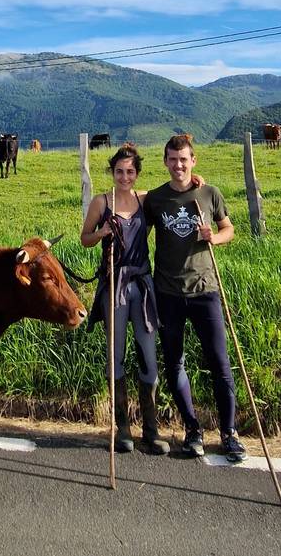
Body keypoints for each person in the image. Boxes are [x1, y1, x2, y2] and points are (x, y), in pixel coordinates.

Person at [143, 134, 247, 462]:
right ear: (165, 162)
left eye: (184, 159)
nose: (178, 165)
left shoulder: (209, 194)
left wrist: (214, 238)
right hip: (168, 293)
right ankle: (193, 430)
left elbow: (229, 229)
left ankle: (229, 434)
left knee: (219, 362)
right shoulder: (156, 199)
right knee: (175, 363)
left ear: (193, 160)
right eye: (172, 160)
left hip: (206, 291)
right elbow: (135, 217)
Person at [81, 143, 170, 455]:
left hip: (143, 285)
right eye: (119, 171)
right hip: (114, 283)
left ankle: (152, 428)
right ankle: (122, 429)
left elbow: (174, 192)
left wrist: (195, 180)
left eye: (130, 171)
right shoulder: (101, 202)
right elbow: (84, 238)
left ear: (137, 173)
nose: (124, 176)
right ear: (112, 172)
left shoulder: (146, 200)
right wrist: (102, 231)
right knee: (115, 355)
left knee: (148, 353)